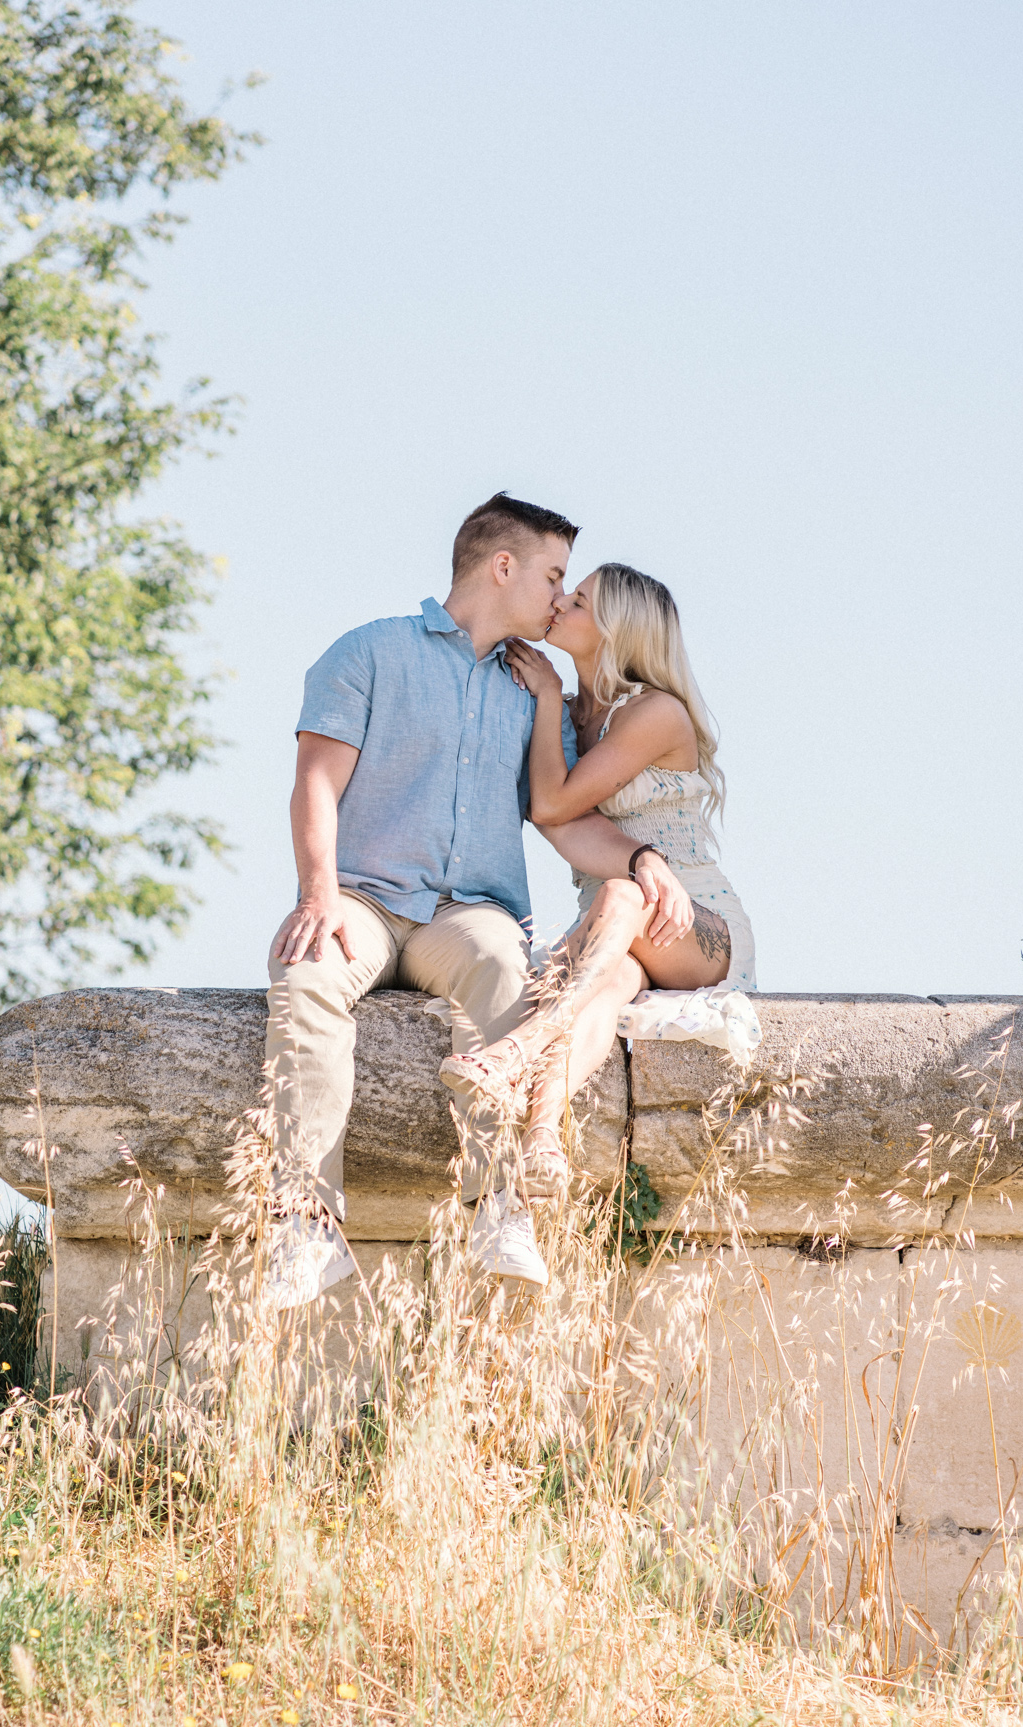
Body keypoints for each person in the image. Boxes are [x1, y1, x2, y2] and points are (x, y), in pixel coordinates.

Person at [264, 496, 696, 1305]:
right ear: (504, 567)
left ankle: (502, 1208)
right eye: (553, 575)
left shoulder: (533, 690)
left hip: (467, 914)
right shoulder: (370, 652)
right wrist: (318, 893)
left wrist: (644, 860)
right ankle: (306, 1224)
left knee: (506, 960)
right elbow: (314, 782)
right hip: (361, 897)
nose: (560, 598)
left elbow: (563, 822)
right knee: (307, 970)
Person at [438, 561, 755, 1199]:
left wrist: (549, 696)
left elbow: (555, 803)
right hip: (615, 934)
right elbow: (548, 817)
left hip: (693, 920)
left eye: (578, 600)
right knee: (601, 990)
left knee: (619, 893)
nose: (560, 603)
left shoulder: (656, 713)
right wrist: (554, 704)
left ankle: (516, 1051)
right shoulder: (573, 717)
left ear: (616, 630)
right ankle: (542, 1143)